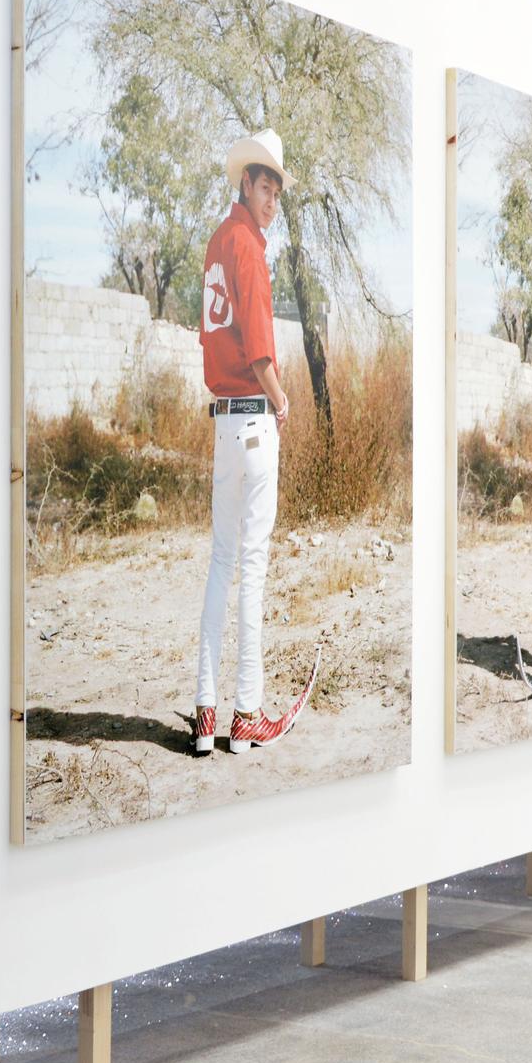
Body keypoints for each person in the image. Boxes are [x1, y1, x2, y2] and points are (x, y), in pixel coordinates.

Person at [194, 129, 293, 756]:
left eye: (278, 193)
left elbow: (212, 335)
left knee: (221, 561)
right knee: (250, 564)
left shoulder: (215, 242)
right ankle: (247, 713)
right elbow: (259, 349)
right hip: (254, 418)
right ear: (246, 183)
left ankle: (205, 714)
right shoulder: (249, 247)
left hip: (222, 424)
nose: (272, 202)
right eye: (265, 188)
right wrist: (281, 400)